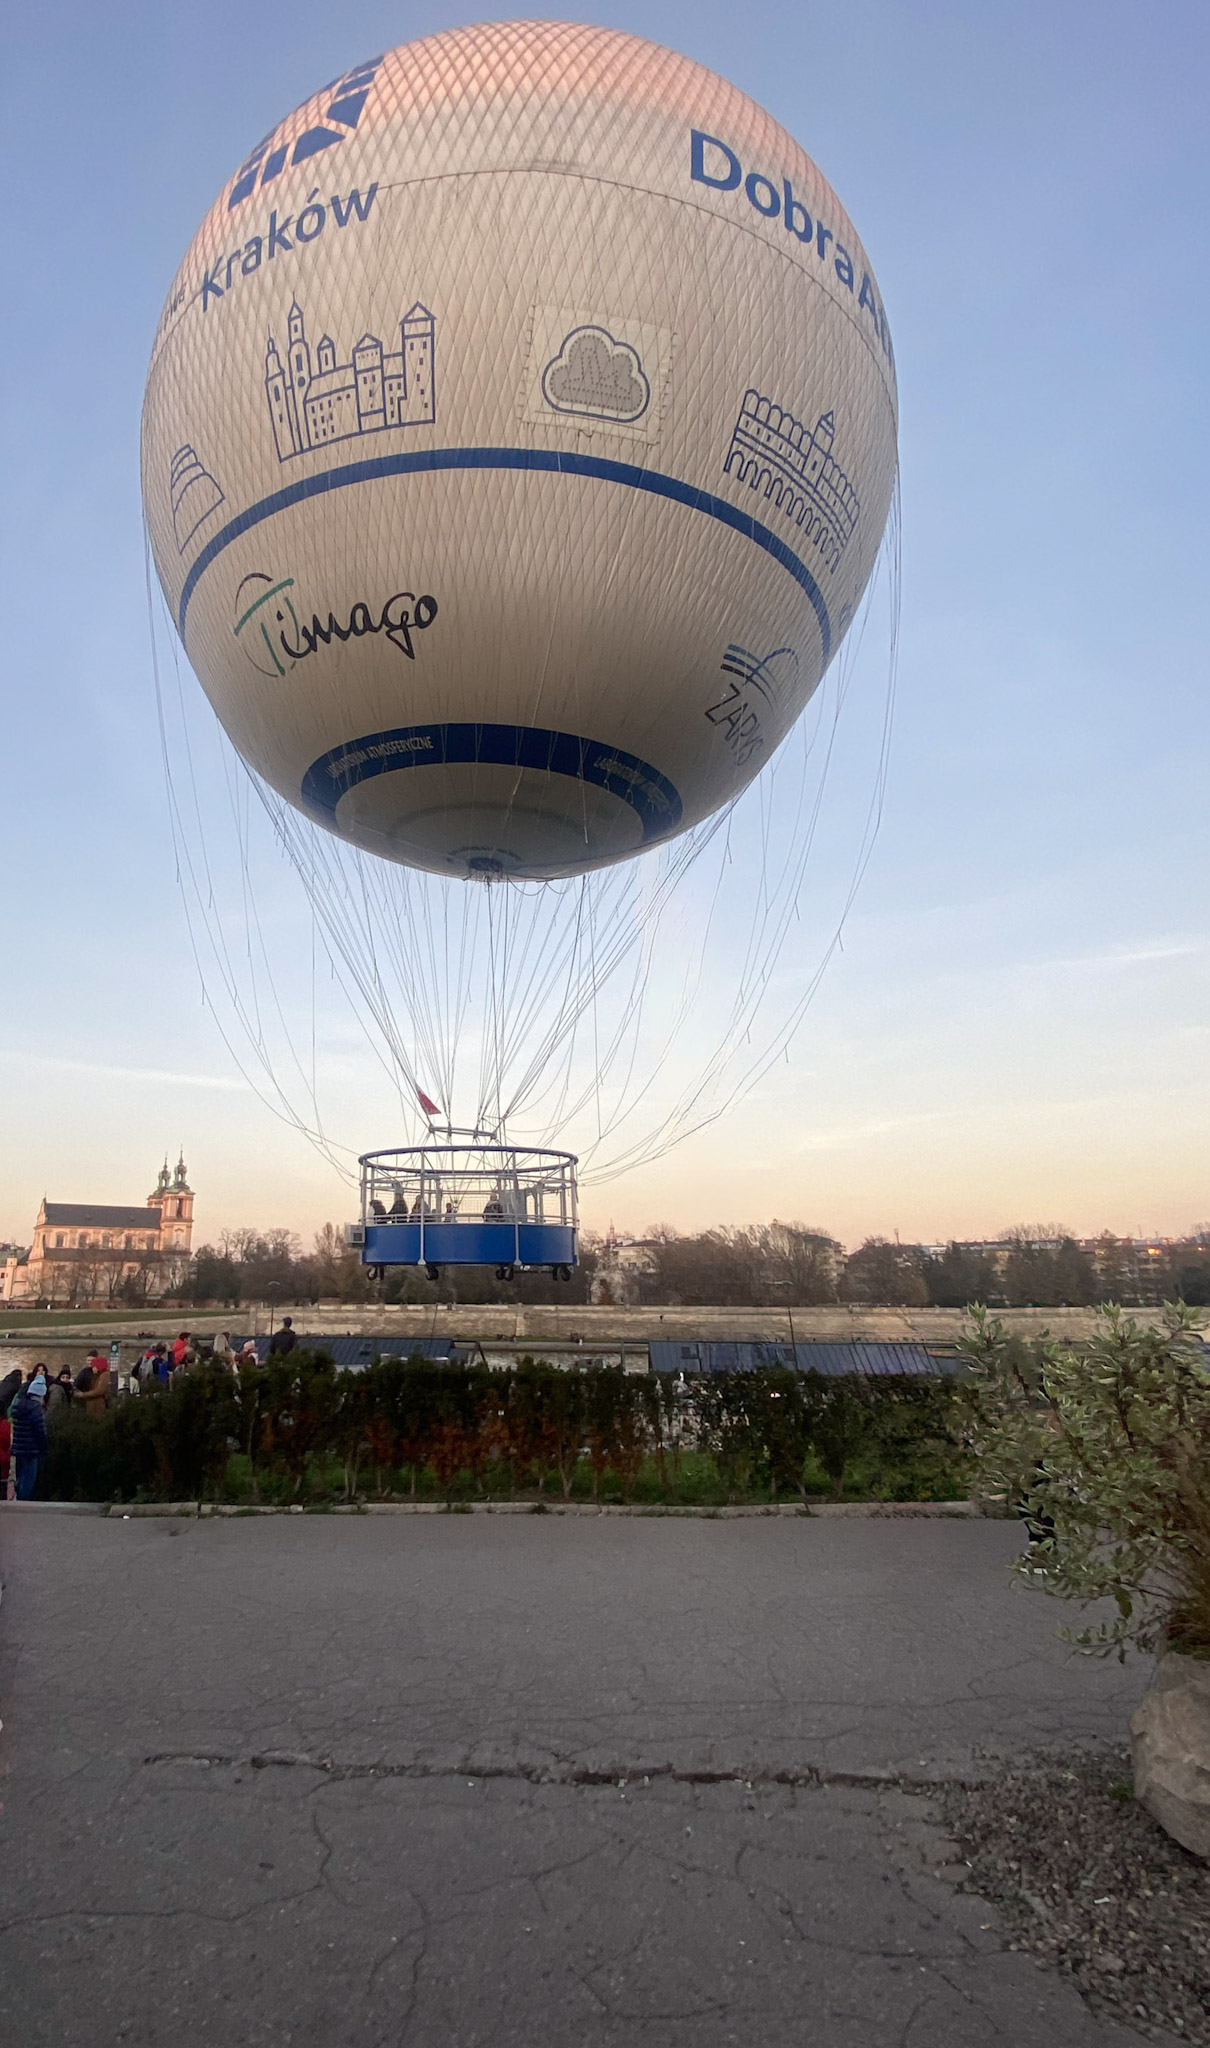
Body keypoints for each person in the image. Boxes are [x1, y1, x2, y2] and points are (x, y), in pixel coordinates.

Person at [10, 1380, 48, 1499]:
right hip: (32, 1448)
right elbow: (40, 1430)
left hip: (19, 1448)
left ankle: (19, 1497)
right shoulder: (36, 1408)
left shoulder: (18, 1406)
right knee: (30, 1478)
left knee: (21, 1476)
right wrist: (44, 1446)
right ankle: (23, 1500)